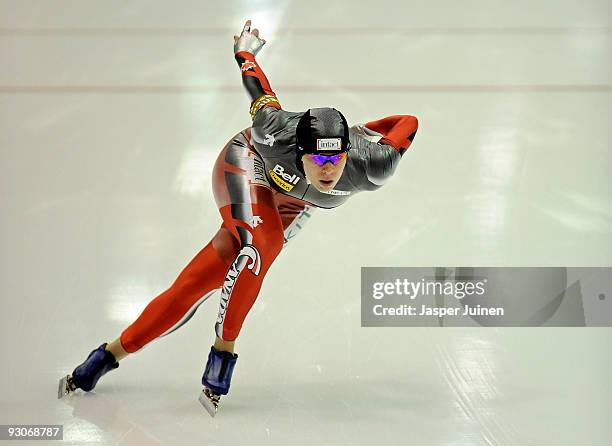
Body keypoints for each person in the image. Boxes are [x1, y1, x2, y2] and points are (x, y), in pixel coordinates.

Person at [58, 19, 419, 415]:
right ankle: (222, 356)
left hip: (287, 204)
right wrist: (244, 51)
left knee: (195, 284)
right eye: (317, 158)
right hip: (245, 165)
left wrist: (366, 132)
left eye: (335, 157)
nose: (328, 169)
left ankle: (103, 358)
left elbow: (409, 122)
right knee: (263, 245)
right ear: (299, 152)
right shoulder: (274, 130)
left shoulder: (373, 164)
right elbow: (259, 88)